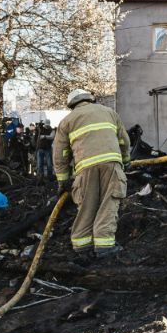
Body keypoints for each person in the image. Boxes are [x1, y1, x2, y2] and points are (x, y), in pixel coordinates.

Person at [53, 89, 129, 262]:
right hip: (111, 164)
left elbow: (60, 153)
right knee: (108, 204)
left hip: (85, 169)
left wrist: (62, 180)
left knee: (87, 206)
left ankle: (82, 246)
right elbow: (123, 140)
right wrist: (125, 161)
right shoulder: (109, 112)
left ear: (71, 105)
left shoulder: (67, 121)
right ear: (91, 99)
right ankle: (105, 247)